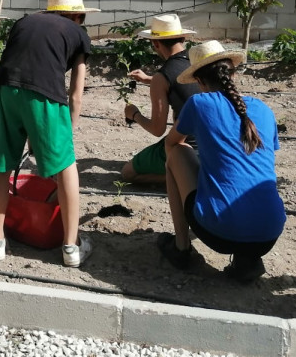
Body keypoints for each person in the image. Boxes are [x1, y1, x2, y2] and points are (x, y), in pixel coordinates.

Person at [0, 0, 97, 267]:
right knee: (67, 165)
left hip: (5, 89)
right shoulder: (78, 34)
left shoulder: (24, 22)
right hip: (45, 95)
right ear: (78, 16)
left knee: (2, 162)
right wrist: (66, 133)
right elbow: (76, 95)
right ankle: (71, 247)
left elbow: (23, 62)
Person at [159, 40, 286, 283]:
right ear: (234, 73)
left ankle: (181, 248)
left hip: (218, 233)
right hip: (269, 234)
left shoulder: (199, 103)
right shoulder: (263, 109)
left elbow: (171, 143)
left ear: (199, 81)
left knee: (177, 153)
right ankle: (248, 259)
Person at [121, 14, 200, 185]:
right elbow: (182, 82)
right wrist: (149, 79)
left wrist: (134, 114)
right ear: (183, 38)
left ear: (155, 43)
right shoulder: (197, 61)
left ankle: (188, 178)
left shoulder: (162, 76)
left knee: (128, 173)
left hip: (187, 145)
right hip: (214, 142)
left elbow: (157, 129)